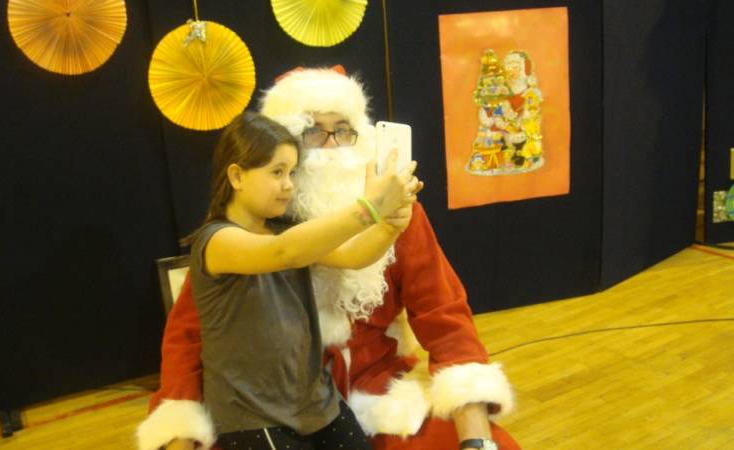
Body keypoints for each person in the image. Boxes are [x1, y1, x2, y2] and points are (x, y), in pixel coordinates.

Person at [137, 67, 520, 450]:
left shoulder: (393, 216)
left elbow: (438, 312)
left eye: (343, 130)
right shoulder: (244, 235)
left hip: (371, 398)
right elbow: (189, 336)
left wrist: (390, 225)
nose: (332, 147)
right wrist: (180, 431)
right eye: (313, 132)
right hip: (263, 407)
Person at [139, 111, 420, 450]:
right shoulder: (216, 241)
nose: (289, 184)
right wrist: (369, 208)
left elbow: (354, 256)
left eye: (291, 172)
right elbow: (283, 253)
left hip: (317, 403)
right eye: (277, 172)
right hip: (255, 416)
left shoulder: (286, 231)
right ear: (237, 176)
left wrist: (390, 225)